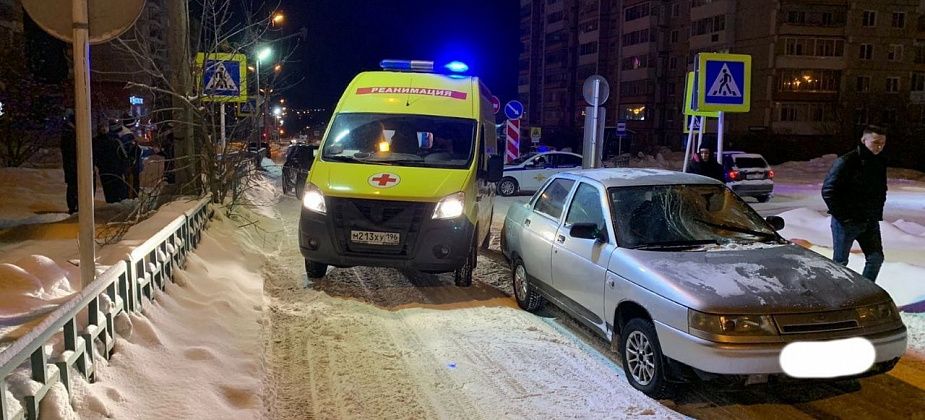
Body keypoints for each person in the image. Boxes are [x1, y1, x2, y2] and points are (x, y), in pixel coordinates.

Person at [821, 125, 888, 282]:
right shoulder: (846, 161)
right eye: (876, 142)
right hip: (846, 223)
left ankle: (864, 292)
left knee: (876, 258)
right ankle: (838, 298)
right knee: (840, 263)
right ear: (864, 140)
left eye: (883, 143)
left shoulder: (879, 162)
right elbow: (828, 191)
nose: (879, 147)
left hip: (869, 221)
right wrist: (844, 217)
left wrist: (876, 212)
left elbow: (881, 189)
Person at [60, 111, 78, 214]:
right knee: (73, 186)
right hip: (72, 165)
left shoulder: (68, 133)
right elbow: (71, 152)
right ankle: (73, 207)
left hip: (70, 165)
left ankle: (73, 206)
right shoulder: (70, 134)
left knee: (72, 186)